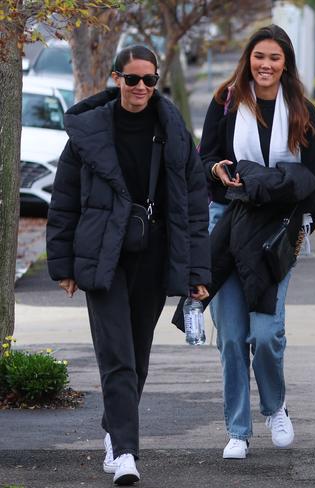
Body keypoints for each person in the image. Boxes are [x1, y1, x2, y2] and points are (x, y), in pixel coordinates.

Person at [46, 45, 210, 485]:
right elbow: (64, 203)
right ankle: (125, 452)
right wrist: (62, 265)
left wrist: (198, 272)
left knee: (136, 357)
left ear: (158, 81)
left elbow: (194, 206)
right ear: (116, 78)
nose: (141, 88)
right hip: (104, 255)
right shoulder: (88, 133)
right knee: (116, 354)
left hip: (155, 256)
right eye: (132, 79)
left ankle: (114, 431)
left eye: (149, 80)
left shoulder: (173, 129)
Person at [198, 24, 315, 460]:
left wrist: (298, 231)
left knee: (267, 333)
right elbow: (204, 161)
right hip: (229, 222)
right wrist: (217, 170)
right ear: (248, 59)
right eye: (258, 57)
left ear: (285, 62)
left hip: (276, 231)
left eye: (273, 58)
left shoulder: (303, 111)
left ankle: (275, 407)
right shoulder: (226, 101)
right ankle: (238, 429)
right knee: (232, 336)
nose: (265, 65)